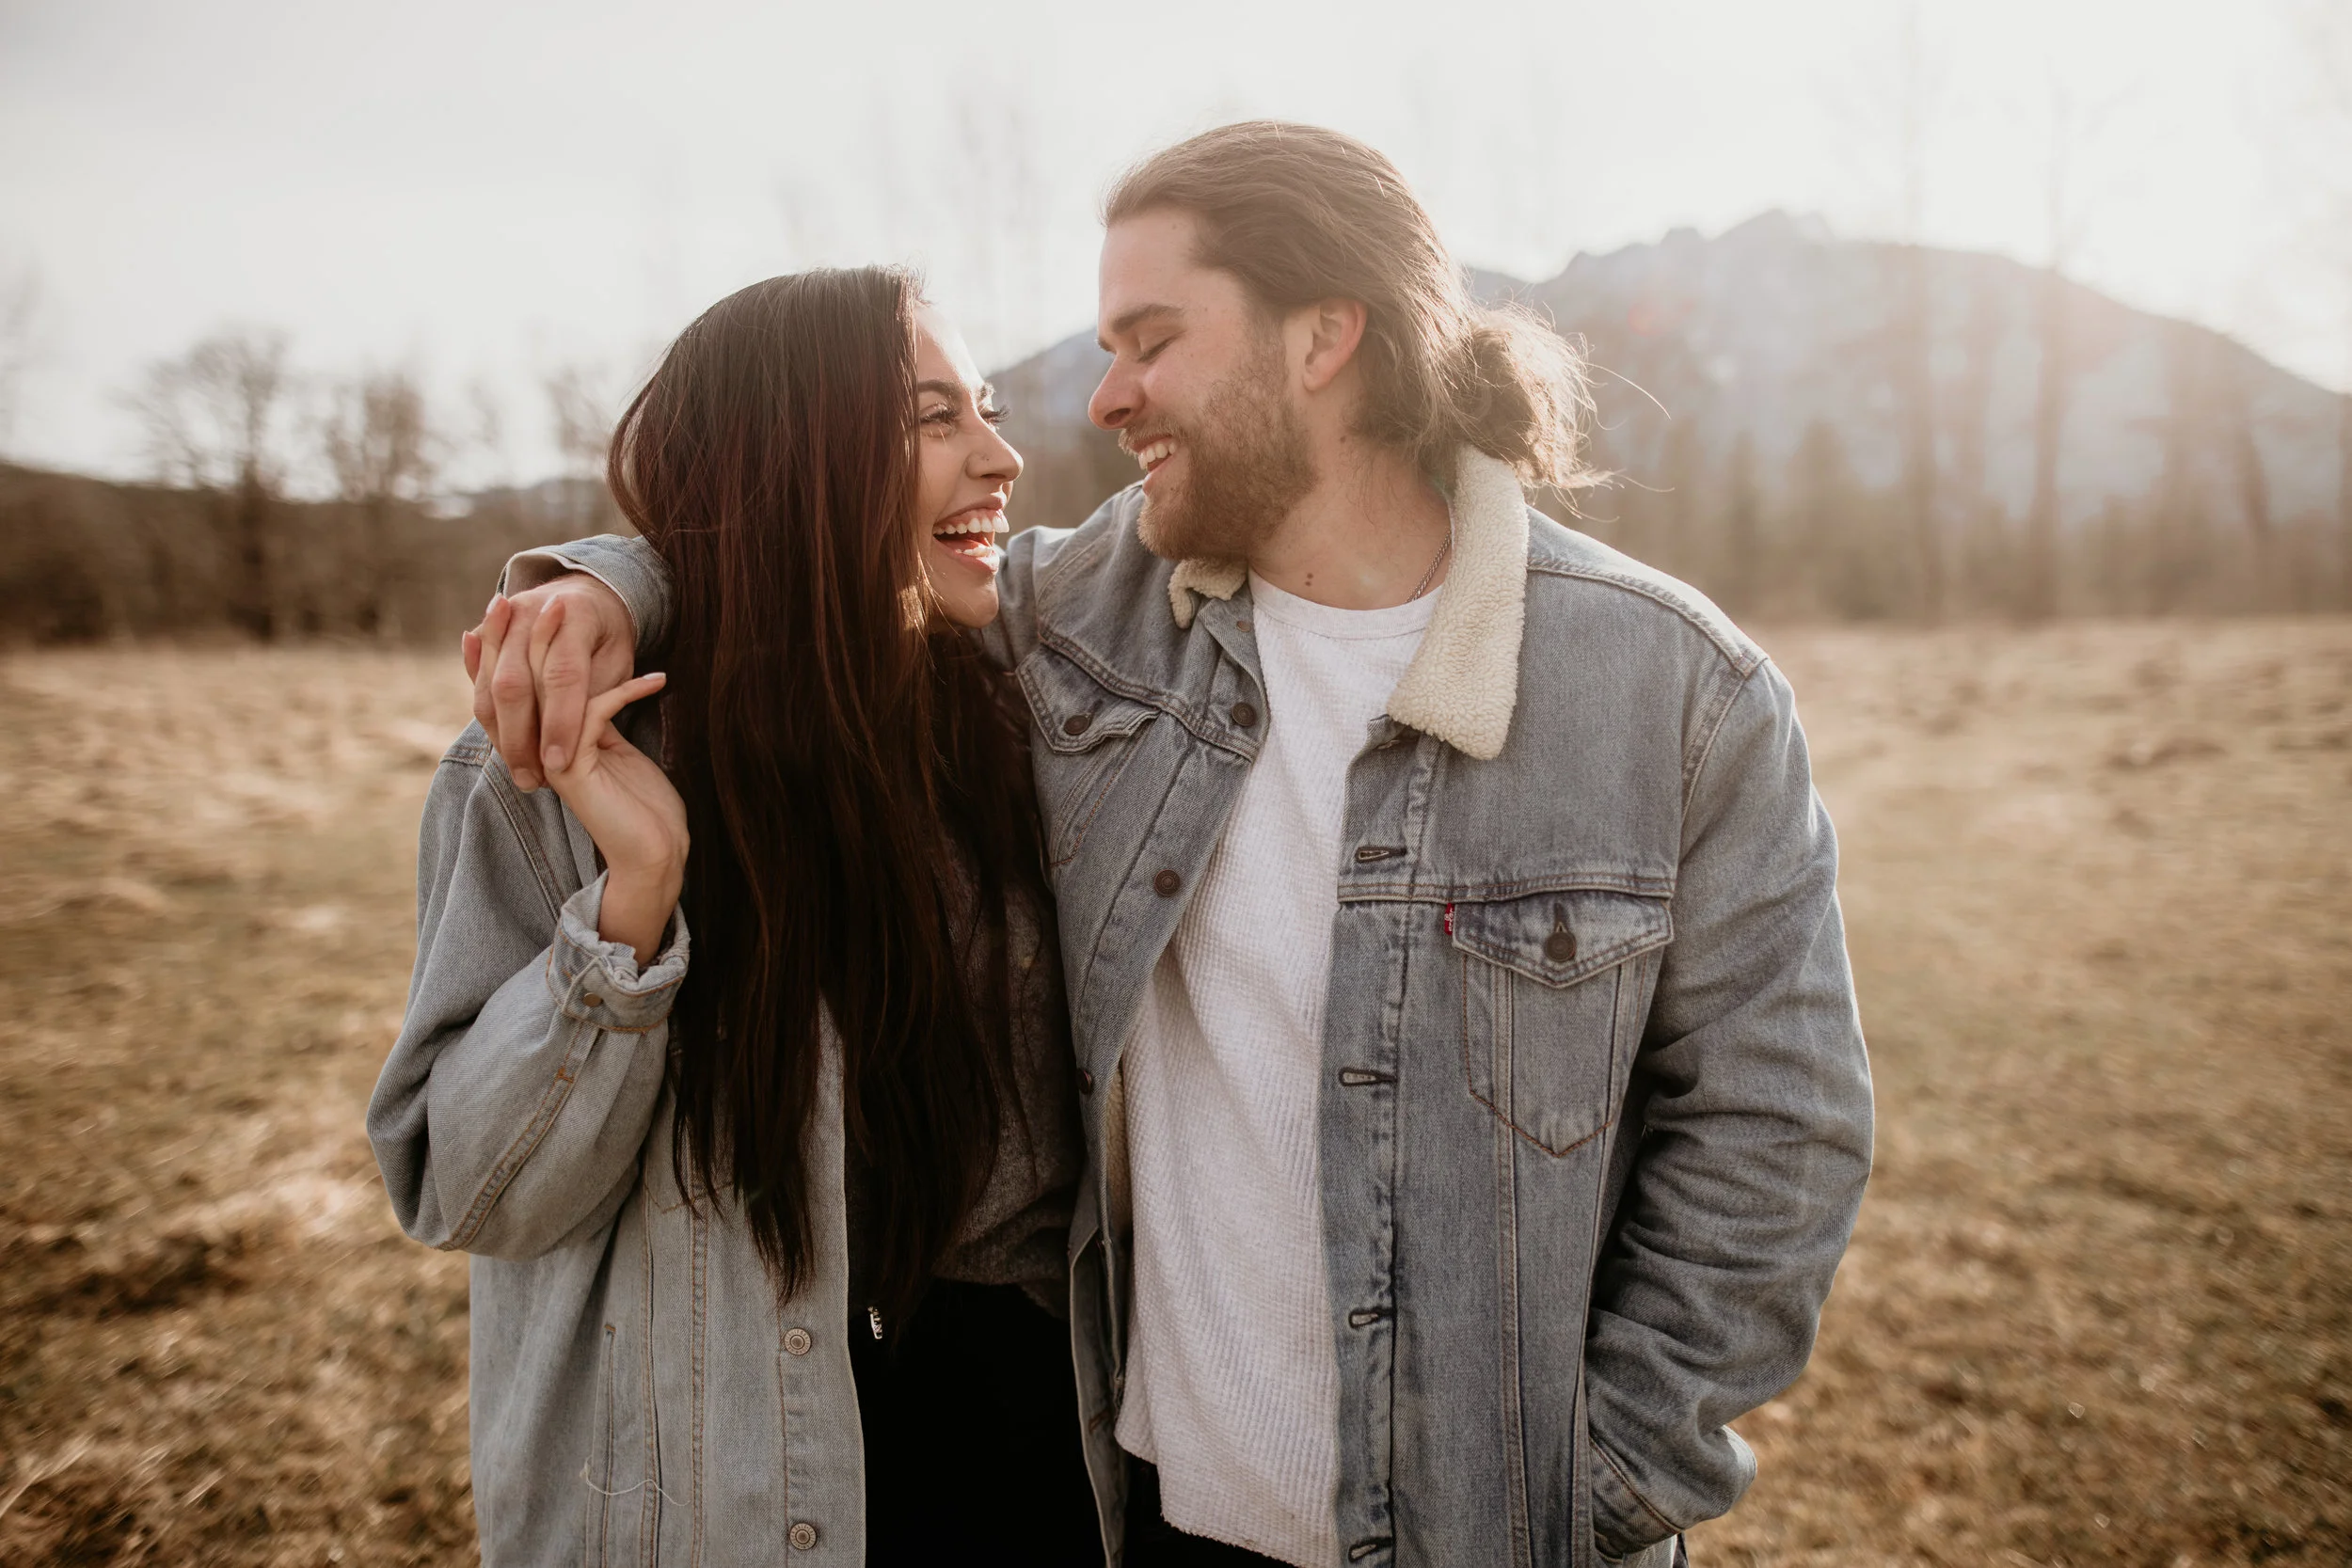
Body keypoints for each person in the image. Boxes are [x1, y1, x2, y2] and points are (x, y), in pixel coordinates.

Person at [479, 123, 1875, 1568]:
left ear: (1326, 333)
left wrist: (1594, 1490)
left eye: (1151, 339)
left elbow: (1780, 1136)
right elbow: (831, 551)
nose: (1102, 396)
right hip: (1156, 1519)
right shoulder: (1101, 622)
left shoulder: (1672, 693)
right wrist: (614, 586)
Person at [368, 267, 1103, 1567]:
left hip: (1031, 1461)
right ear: (796, 458)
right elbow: (462, 1186)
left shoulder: (1026, 700)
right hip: (727, 1491)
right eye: (932, 419)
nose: (1000, 455)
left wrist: (611, 574)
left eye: (982, 409)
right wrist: (631, 909)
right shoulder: (550, 762)